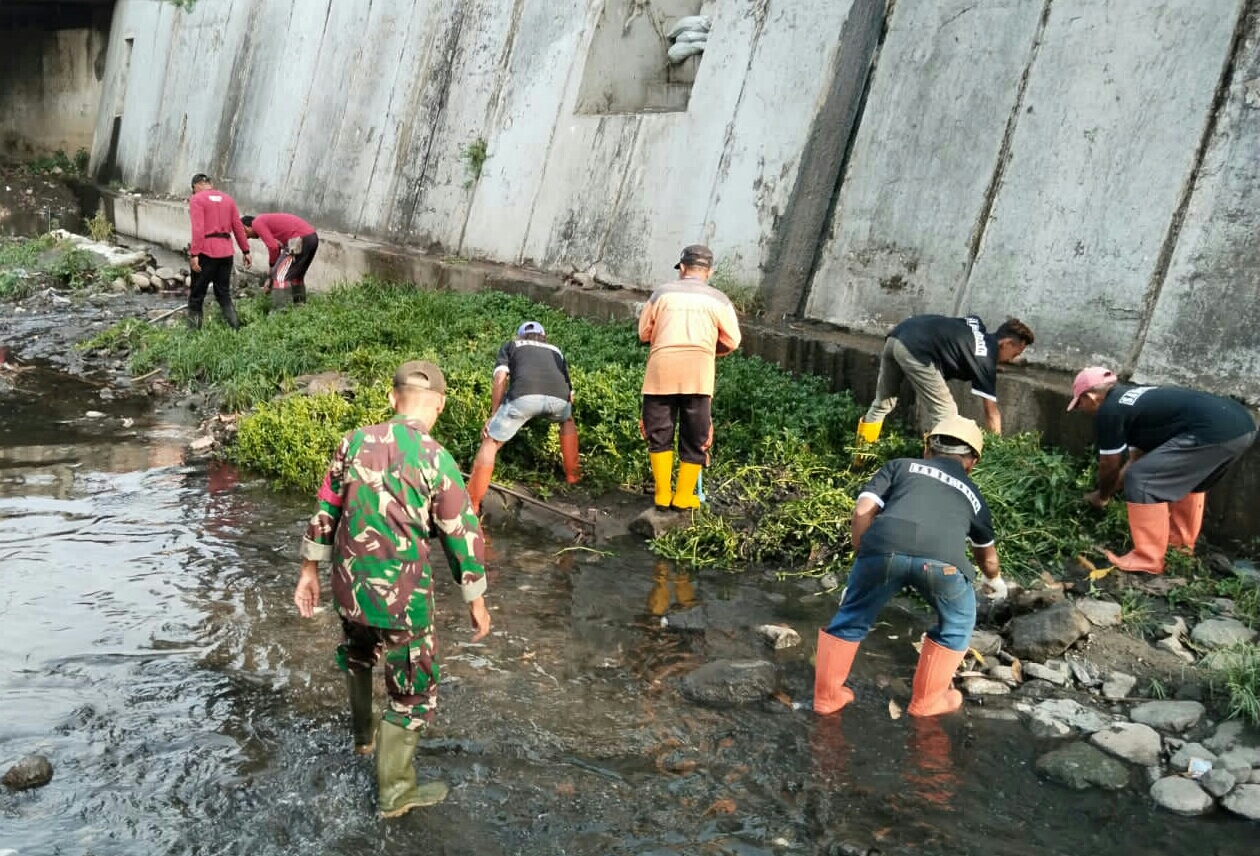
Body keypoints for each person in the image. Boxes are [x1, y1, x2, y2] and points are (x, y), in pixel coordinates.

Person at [292, 360, 491, 818]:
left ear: (390, 398)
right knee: (412, 692)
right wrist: (475, 600)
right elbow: (461, 532)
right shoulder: (436, 457)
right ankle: (396, 791)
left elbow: (326, 507)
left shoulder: (354, 441)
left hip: (350, 592)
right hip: (404, 601)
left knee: (360, 656)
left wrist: (308, 571)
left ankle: (364, 741)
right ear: (439, 406)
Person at [814, 415, 1006, 717]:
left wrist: (864, 552)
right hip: (944, 566)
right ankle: (926, 702)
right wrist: (994, 580)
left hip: (882, 549)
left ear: (927, 449)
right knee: (958, 623)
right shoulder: (974, 496)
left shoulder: (899, 466)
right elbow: (988, 558)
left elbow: (862, 510)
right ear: (971, 462)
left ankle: (826, 699)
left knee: (852, 615)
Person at [1068, 366, 1257, 575]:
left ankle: (1147, 558)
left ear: (1092, 396)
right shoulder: (1135, 399)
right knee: (1188, 482)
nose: (1080, 410)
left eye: (1080, 403)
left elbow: (1109, 466)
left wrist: (1102, 496)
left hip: (1212, 431)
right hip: (1243, 427)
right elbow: (1136, 459)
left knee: (1140, 479)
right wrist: (1107, 493)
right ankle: (1180, 547)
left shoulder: (1109, 410)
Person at [639, 244, 742, 511]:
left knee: (659, 432)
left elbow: (643, 333)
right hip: (699, 373)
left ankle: (662, 495)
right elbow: (733, 340)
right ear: (709, 272)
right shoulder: (720, 300)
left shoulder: (661, 293)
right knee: (695, 435)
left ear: (682, 269)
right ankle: (684, 497)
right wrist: (709, 350)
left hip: (661, 371)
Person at [856, 314, 1035, 442]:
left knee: (883, 402)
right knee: (947, 416)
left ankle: (860, 459)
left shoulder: (976, 324)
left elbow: (961, 342)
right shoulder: (985, 361)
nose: (1012, 359)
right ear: (1007, 343)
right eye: (1014, 353)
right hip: (916, 351)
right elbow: (992, 413)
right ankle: (934, 469)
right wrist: (998, 447)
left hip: (897, 337)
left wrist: (990, 365)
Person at [465, 321, 580, 512]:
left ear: (520, 336)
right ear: (544, 336)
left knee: (490, 442)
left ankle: (473, 503)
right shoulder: (556, 350)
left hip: (523, 398)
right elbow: (571, 394)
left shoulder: (512, 345)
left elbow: (500, 378)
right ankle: (573, 476)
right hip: (560, 400)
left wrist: (494, 414)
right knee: (567, 420)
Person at [187, 173, 251, 330]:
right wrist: (246, 250)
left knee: (197, 295)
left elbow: (198, 228)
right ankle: (235, 328)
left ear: (196, 186)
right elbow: (237, 226)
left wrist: (194, 254)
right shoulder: (228, 199)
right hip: (226, 252)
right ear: (210, 183)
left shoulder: (197, 199)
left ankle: (192, 334)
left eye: (193, 190)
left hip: (206, 252)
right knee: (224, 294)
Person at [241, 212, 319, 306]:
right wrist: (271, 273)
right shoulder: (265, 221)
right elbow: (276, 248)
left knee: (279, 277)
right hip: (312, 237)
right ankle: (299, 307)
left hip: (298, 239)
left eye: (245, 234)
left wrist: (272, 271)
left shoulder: (257, 223)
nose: (247, 238)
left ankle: (280, 313)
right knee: (296, 276)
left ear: (245, 227)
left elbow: (273, 247)